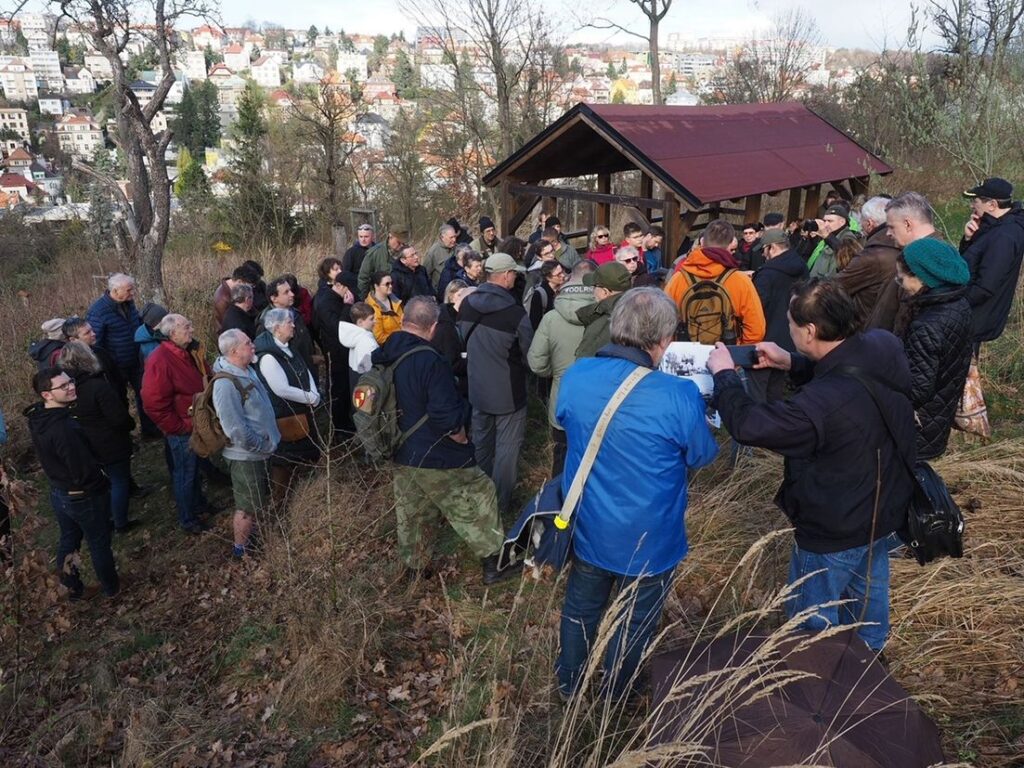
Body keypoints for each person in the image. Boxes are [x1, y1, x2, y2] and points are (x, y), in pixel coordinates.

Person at [708, 279, 914, 653]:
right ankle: (868, 669)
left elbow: (749, 426)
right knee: (868, 609)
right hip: (882, 511)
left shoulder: (820, 405)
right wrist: (792, 362)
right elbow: (847, 368)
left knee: (810, 625)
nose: (787, 330)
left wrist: (724, 375)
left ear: (810, 330)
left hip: (833, 528)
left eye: (790, 324)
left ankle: (814, 680)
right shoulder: (883, 346)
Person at [555, 289, 718, 699]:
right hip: (652, 538)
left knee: (580, 609)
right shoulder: (679, 395)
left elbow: (563, 419)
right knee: (636, 621)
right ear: (664, 341)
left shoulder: (576, 375)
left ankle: (569, 684)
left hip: (590, 526)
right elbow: (701, 455)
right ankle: (616, 693)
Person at [370, 296, 516, 585]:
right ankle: (493, 564)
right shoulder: (429, 359)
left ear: (403, 321)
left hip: (401, 450)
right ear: (433, 326)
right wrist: (460, 438)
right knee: (478, 493)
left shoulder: (384, 353)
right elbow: (446, 414)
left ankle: (414, 571)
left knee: (414, 512)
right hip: (436, 452)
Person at [27, 368, 121, 598]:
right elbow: (81, 469)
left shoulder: (40, 417)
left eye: (70, 382)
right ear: (47, 394)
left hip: (60, 491)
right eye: (63, 386)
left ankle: (71, 588)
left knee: (69, 540)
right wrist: (100, 483)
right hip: (82, 494)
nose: (71, 387)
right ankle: (112, 589)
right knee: (98, 542)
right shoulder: (63, 428)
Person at [458, 253, 534, 515]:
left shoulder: (467, 305)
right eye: (514, 273)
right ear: (503, 276)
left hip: (477, 390)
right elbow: (530, 355)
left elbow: (462, 342)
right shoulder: (515, 313)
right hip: (509, 394)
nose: (516, 276)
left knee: (481, 444)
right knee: (507, 451)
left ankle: (479, 497)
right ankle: (499, 505)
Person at [895, 239, 973, 459]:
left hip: (918, 427)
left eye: (901, 279)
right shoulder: (958, 304)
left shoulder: (927, 325)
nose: (900, 285)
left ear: (923, 278)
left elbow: (917, 388)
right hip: (937, 416)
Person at [57, 341, 139, 533]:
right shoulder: (97, 386)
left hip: (87, 445)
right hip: (110, 443)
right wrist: (130, 426)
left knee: (105, 484)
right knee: (119, 480)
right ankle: (120, 522)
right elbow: (118, 418)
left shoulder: (65, 391)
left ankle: (107, 518)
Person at [212, 329, 280, 558]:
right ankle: (240, 551)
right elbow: (235, 428)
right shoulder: (225, 384)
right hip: (246, 456)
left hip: (260, 452)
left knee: (257, 500)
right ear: (233, 351)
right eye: (248, 343)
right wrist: (262, 445)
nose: (253, 346)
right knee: (247, 507)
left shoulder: (246, 369)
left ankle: (253, 538)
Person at [142, 314, 212, 534]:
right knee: (185, 473)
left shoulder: (189, 351)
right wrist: (179, 426)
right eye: (186, 327)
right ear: (172, 334)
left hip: (197, 421)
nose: (191, 329)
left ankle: (199, 504)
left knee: (197, 468)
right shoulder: (160, 360)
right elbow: (153, 403)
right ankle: (188, 518)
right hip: (183, 429)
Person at [527, 260, 594, 476]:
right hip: (598, 405)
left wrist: (556, 373)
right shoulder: (607, 317)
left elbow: (536, 362)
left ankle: (558, 505)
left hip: (562, 401)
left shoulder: (551, 318)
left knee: (561, 459)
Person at [254, 309, 321, 505]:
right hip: (284, 416)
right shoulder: (267, 357)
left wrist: (314, 393)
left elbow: (303, 369)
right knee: (284, 461)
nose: (293, 325)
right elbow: (280, 389)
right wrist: (310, 397)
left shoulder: (287, 347)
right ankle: (280, 503)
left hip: (300, 411)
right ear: (276, 328)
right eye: (289, 322)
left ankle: (306, 498)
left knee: (305, 454)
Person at [664, 219, 766, 345]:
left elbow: (663, 322)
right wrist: (737, 353)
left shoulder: (678, 279)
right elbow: (757, 329)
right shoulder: (740, 280)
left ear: (702, 242)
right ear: (730, 245)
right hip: (727, 355)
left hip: (686, 356)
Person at [87, 273, 158, 437]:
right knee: (119, 400)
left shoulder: (129, 303)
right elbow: (95, 341)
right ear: (115, 290)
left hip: (136, 360)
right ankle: (125, 436)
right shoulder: (98, 311)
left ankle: (150, 431)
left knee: (145, 394)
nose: (132, 293)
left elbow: (137, 324)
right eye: (129, 290)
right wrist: (105, 365)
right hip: (116, 366)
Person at [959, 177, 1024, 348]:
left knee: (963, 372)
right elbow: (969, 264)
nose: (972, 205)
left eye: (976, 201)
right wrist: (968, 239)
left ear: (992, 205)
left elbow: (985, 286)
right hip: (971, 318)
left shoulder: (1004, 236)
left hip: (975, 320)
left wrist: (955, 304)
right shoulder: (993, 228)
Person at [748, 229, 808, 402]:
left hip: (765, 339)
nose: (763, 255)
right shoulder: (802, 267)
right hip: (791, 338)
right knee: (776, 388)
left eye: (763, 250)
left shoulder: (766, 274)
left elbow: (757, 308)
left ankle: (755, 421)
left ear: (772, 248)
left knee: (757, 388)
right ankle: (775, 419)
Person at [836, 196, 902, 332]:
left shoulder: (873, 256)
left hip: (865, 324)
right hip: (887, 325)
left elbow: (837, 284)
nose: (860, 225)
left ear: (870, 223)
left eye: (862, 221)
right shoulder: (899, 245)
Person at [313, 266, 356, 437]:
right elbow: (337, 328)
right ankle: (340, 429)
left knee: (344, 388)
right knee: (339, 390)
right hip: (335, 352)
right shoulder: (327, 302)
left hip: (340, 351)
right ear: (342, 287)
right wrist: (347, 307)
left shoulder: (331, 298)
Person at [258, 277, 317, 378]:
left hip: (307, 369)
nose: (292, 294)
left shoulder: (295, 313)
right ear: (274, 298)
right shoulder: (267, 322)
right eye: (286, 292)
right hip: (292, 376)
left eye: (291, 290)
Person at [575, 261, 631, 359]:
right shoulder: (646, 311)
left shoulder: (602, 325)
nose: (593, 291)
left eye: (595, 286)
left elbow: (583, 365)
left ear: (605, 292)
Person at [806, 205, 861, 278]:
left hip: (827, 286)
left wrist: (827, 236)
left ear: (842, 222)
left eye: (830, 221)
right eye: (824, 221)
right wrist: (812, 239)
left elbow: (847, 254)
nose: (825, 224)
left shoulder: (848, 237)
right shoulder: (830, 235)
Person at [358, 224, 408, 299]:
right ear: (390, 237)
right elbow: (363, 279)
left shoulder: (408, 252)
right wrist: (364, 300)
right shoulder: (374, 253)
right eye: (399, 242)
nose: (401, 245)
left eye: (403, 243)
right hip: (382, 300)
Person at [338, 301, 379, 388]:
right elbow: (369, 371)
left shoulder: (353, 337)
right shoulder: (368, 343)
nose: (375, 321)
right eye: (371, 319)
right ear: (360, 322)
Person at [526, 259, 566, 331]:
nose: (563, 275)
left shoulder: (565, 288)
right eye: (558, 274)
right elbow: (535, 323)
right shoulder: (540, 294)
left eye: (562, 272)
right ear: (548, 277)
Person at [366, 271, 404, 344]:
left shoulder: (396, 301)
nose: (390, 286)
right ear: (376, 286)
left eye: (391, 283)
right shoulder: (371, 308)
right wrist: (400, 340)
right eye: (387, 284)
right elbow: (379, 337)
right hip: (389, 347)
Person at [341, 223, 375, 296]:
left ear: (372, 236)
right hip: (357, 289)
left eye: (366, 237)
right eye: (361, 237)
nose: (363, 239)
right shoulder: (351, 253)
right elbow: (345, 273)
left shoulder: (377, 251)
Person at [424, 223, 458, 288]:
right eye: (451, 237)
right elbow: (426, 274)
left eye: (455, 237)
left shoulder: (458, 249)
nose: (454, 240)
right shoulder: (433, 252)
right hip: (440, 291)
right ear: (442, 237)